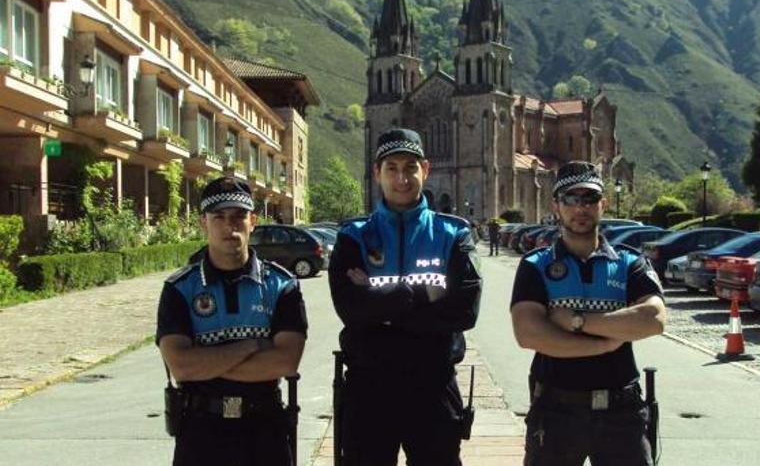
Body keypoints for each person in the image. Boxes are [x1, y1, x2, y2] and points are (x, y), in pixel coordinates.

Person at [329, 128, 482, 466]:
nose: (402, 178)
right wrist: (424, 295)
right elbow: (350, 310)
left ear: (425, 170)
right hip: (368, 386)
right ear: (377, 173)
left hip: (433, 383)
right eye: (392, 168)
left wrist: (379, 301)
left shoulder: (453, 233)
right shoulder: (353, 236)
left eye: (410, 167)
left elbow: (464, 312)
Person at [509, 161, 666, 466]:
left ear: (602, 204)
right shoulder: (535, 265)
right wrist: (605, 341)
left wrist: (576, 321)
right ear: (556, 205)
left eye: (590, 198)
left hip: (621, 411)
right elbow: (528, 333)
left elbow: (653, 319)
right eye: (570, 198)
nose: (580, 207)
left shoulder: (629, 263)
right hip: (556, 410)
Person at [156, 176, 308, 466]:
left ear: (253, 220)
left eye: (239, 216)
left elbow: (285, 362)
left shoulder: (281, 286)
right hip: (201, 431)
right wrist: (251, 346)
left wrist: (208, 362)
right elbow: (182, 367)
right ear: (204, 223)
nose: (230, 226)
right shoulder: (179, 289)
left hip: (265, 430)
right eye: (219, 217)